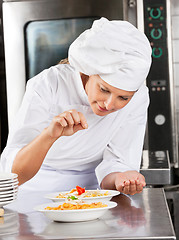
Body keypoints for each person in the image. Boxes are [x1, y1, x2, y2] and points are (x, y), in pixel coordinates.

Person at [0, 17, 152, 195]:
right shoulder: (50, 84)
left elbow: (118, 162)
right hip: (33, 189)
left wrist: (121, 178)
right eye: (103, 89)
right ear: (87, 72)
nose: (110, 104)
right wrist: (50, 135)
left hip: (90, 196)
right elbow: (14, 173)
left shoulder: (139, 96)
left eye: (123, 98)